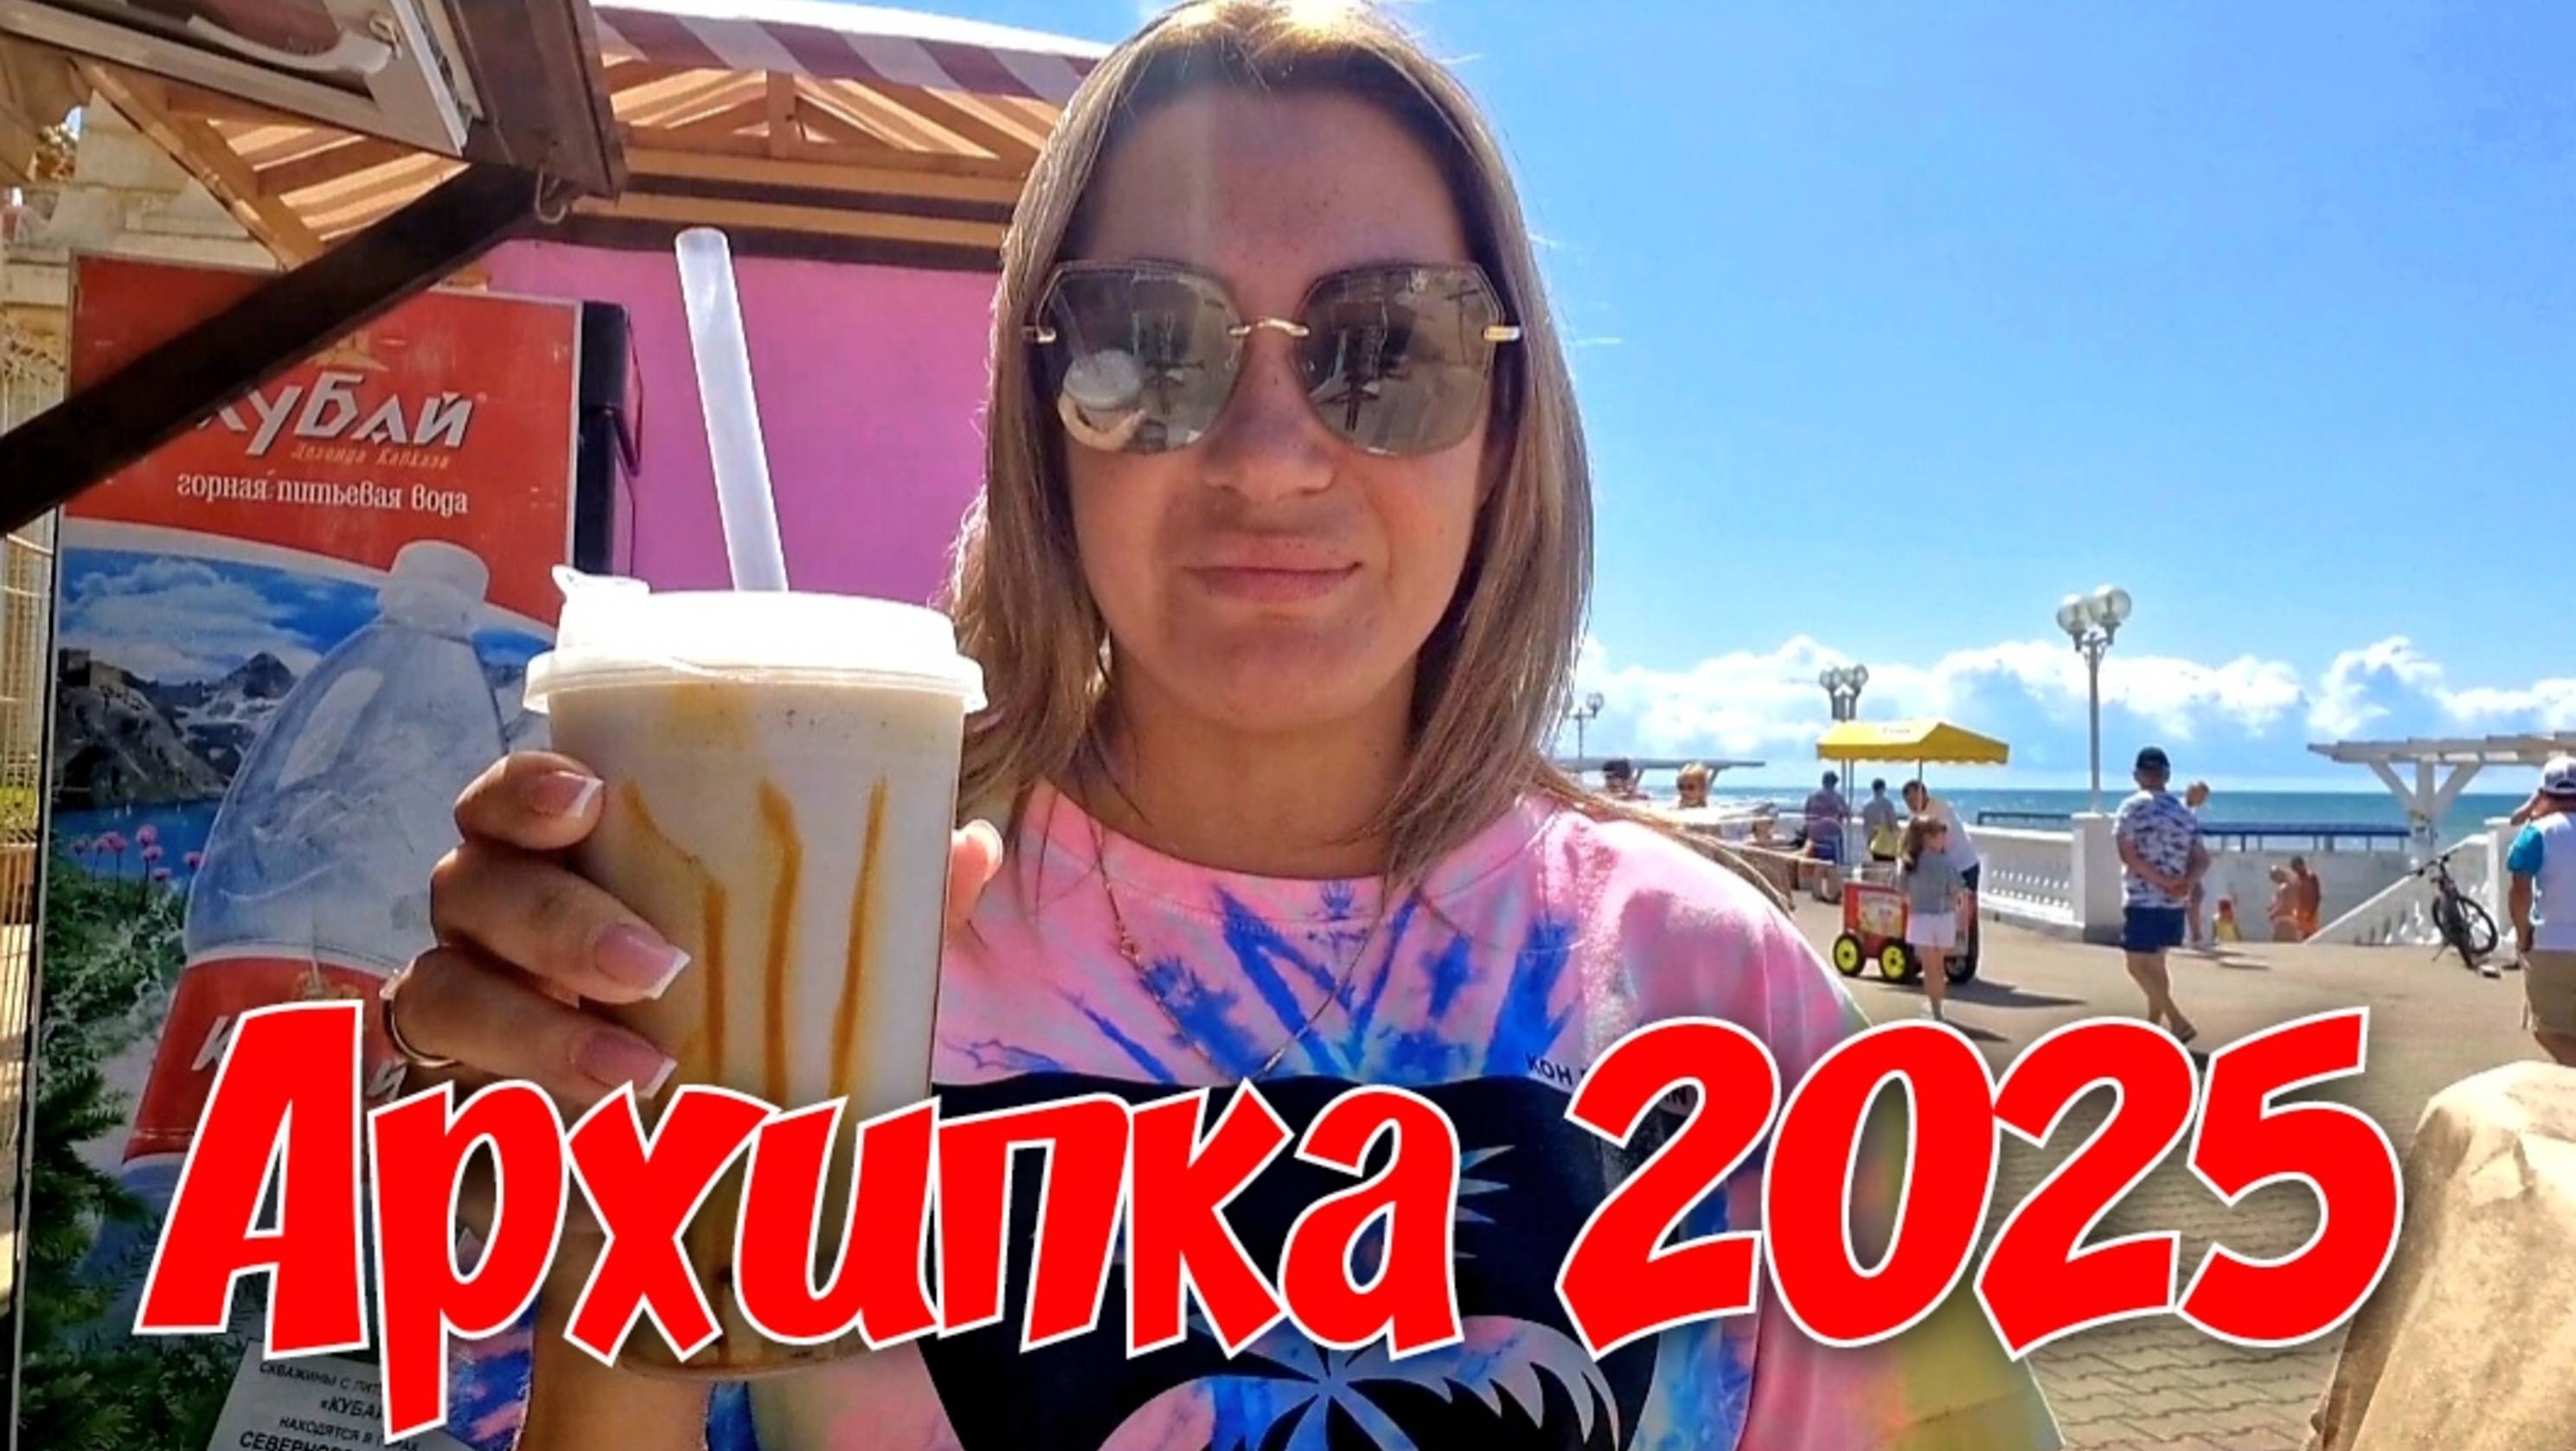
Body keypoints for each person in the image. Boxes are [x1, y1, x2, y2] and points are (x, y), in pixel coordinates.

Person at [381, 6, 2059, 1448]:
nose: (1266, 455)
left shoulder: (1712, 989)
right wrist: (601, 1227)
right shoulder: (813, 927)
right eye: (1146, 344)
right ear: (1041, 419)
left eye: (1388, 347)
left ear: (1501, 431)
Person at [2115, 746, 2204, 1044]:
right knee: (2156, 964)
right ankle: (2153, 1026)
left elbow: (2128, 855)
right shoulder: (2184, 813)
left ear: (2137, 775)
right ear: (2166, 776)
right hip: (2174, 904)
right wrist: (2185, 883)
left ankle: (2177, 1021)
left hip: (2143, 899)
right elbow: (2202, 859)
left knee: (2136, 965)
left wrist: (2162, 882)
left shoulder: (2131, 808)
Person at [2504, 754, 2576, 1065]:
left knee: (2549, 1030)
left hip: (2552, 945)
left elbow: (2519, 892)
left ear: (2544, 793)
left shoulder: (2535, 834)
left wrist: (2523, 935)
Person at [1897, 816, 1966, 1022]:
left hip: (1920, 917)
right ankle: (1939, 1007)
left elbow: (1901, 890)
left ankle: (1935, 1008)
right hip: (1944, 917)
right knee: (1939, 965)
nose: (1945, 840)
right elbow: (1956, 892)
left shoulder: (1909, 862)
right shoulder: (1946, 863)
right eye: (1941, 836)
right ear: (1929, 838)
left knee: (1929, 967)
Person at [1903, 779, 1983, 955]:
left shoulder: (1939, 811)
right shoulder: (1916, 816)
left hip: (1964, 864)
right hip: (1945, 868)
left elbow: (1937, 846)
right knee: (1945, 911)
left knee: (1966, 915)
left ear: (1923, 794)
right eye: (1908, 802)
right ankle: (1945, 953)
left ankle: (1966, 957)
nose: (1911, 805)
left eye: (1914, 799)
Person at [2182, 781, 2212, 948]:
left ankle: (2196, 935)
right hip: (2184, 859)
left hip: (2189, 858)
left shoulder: (2189, 811)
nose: (2203, 801)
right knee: (2192, 895)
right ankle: (2195, 936)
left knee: (2196, 894)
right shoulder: (2183, 811)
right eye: (2201, 796)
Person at [1803, 770, 1849, 865]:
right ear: (1834, 783)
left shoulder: (1812, 796)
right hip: (1831, 835)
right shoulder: (1836, 797)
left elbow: (1806, 814)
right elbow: (1846, 813)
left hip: (1813, 834)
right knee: (1837, 864)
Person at [1862, 777, 1903, 864]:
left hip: (1871, 838)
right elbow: (1893, 822)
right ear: (1883, 789)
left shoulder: (1866, 804)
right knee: (1888, 865)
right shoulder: (1886, 803)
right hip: (1885, 840)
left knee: (1875, 864)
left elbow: (1866, 823)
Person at [2287, 854, 2323, 940]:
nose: (2296, 871)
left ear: (2302, 865)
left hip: (2310, 912)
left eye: (2297, 868)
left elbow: (2317, 896)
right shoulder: (2296, 879)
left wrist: (2313, 912)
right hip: (2300, 912)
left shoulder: (2312, 877)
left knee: (2311, 935)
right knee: (2302, 935)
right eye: (2294, 869)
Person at [2266, 865, 2301, 943]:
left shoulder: (2284, 887)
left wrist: (2273, 913)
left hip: (2283, 919)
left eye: (2274, 876)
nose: (2273, 879)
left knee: (2280, 944)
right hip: (2290, 918)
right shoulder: (2291, 884)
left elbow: (2283, 904)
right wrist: (2272, 907)